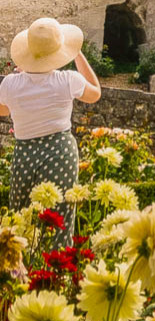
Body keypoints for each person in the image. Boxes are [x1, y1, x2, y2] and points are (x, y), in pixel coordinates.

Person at [0, 17, 101, 244]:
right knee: (59, 218)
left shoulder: (10, 84)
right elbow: (95, 93)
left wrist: (21, 84)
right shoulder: (68, 80)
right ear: (60, 50)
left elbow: (4, 110)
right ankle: (56, 273)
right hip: (60, 150)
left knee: (21, 219)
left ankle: (18, 273)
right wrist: (77, 54)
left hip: (25, 152)